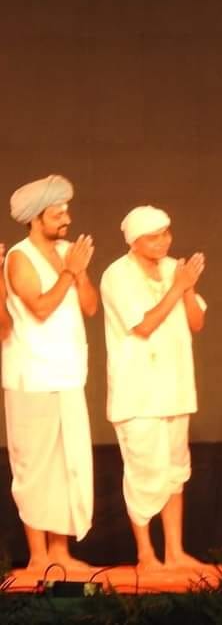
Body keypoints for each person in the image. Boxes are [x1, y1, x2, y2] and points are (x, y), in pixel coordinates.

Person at [100, 206, 208, 572]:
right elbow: (144, 326)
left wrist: (187, 289)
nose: (163, 241)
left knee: (175, 471)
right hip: (138, 393)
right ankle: (146, 554)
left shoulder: (174, 268)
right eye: (153, 237)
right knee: (144, 473)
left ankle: (175, 552)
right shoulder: (117, 274)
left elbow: (196, 322)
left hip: (176, 387)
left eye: (166, 233)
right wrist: (178, 287)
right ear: (134, 241)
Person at [3, 175, 98, 573]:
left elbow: (90, 307)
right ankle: (38, 556)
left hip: (68, 375)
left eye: (66, 212)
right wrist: (68, 273)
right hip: (32, 377)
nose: (66, 219)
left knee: (65, 466)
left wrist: (79, 272)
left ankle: (60, 553)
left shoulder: (67, 253)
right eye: (58, 214)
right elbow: (40, 308)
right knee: (35, 466)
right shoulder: (19, 257)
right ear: (35, 218)